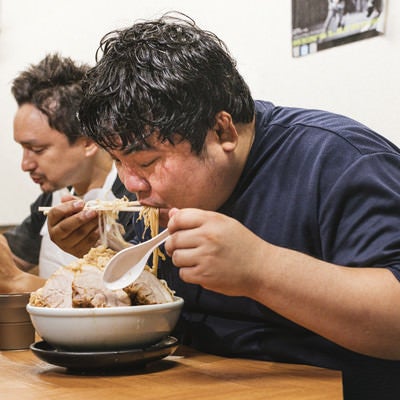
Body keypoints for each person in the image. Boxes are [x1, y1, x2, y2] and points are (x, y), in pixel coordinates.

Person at [47, 14, 400, 398]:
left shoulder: (338, 161)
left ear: (222, 131)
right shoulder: (145, 189)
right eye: (117, 161)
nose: (132, 183)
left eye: (147, 162)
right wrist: (99, 255)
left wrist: (260, 269)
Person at [0, 54, 136, 293]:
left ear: (88, 143)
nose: (25, 164)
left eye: (37, 149)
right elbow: (11, 257)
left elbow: (137, 294)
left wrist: (18, 282)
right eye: (22, 149)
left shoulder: (134, 197)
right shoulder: (54, 197)